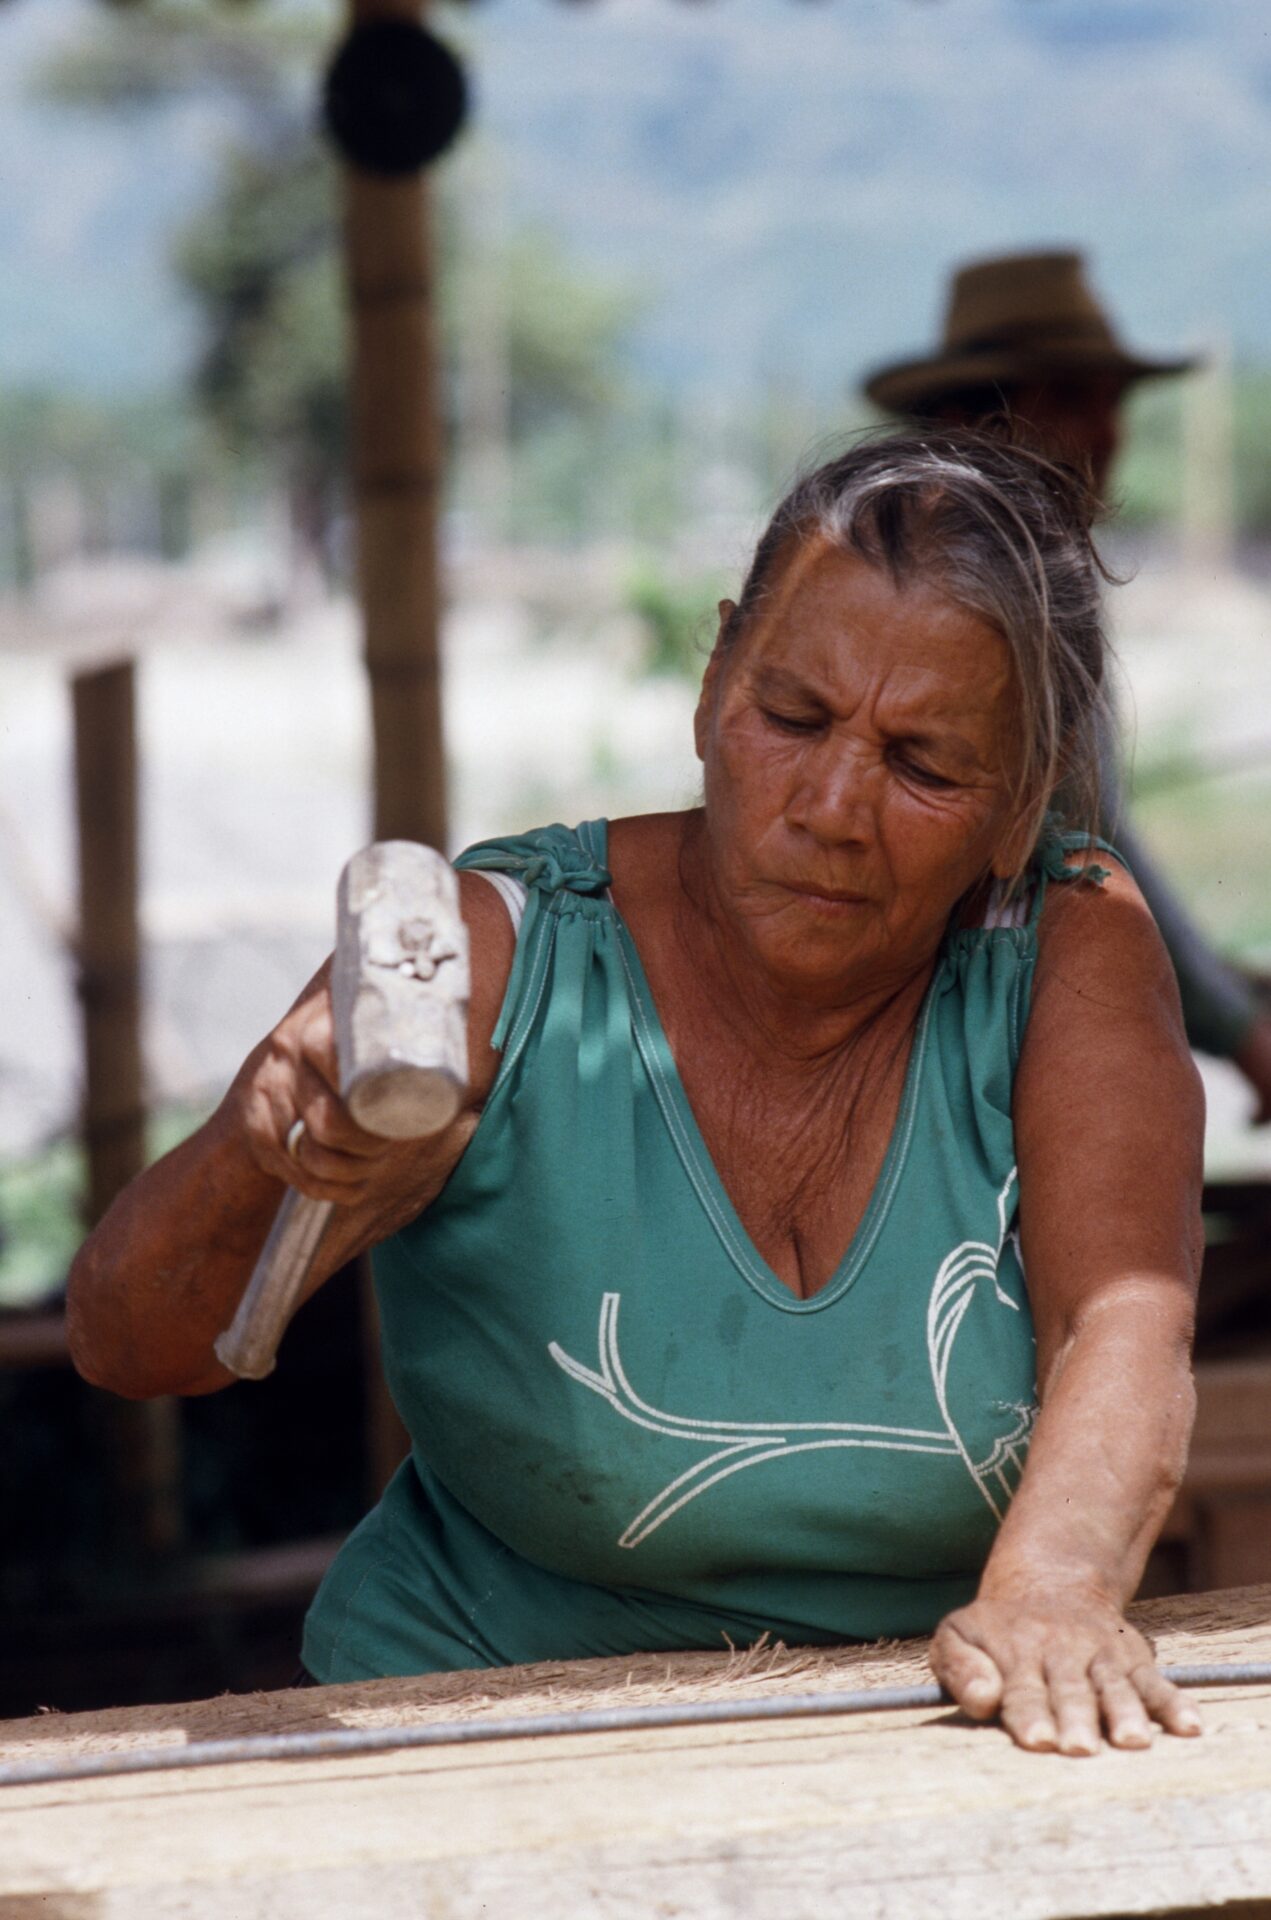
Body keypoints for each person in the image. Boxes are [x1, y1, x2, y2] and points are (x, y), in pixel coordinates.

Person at [68, 430, 1205, 1758]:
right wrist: (258, 1150)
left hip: (904, 1740)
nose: (830, 805)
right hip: (466, 1735)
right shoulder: (498, 952)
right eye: (790, 717)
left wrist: (1051, 1597)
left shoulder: (1060, 940)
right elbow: (129, 1343)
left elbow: (1120, 1320)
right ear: (714, 676)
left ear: (1019, 806)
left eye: (921, 765)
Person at [864, 248, 1271, 1117]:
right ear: (972, 418)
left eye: (1113, 403)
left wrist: (1216, 993)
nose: (1108, 433)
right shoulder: (955, 584)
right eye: (1074, 401)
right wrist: (1239, 1027)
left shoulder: (1026, 568)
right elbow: (1082, 843)